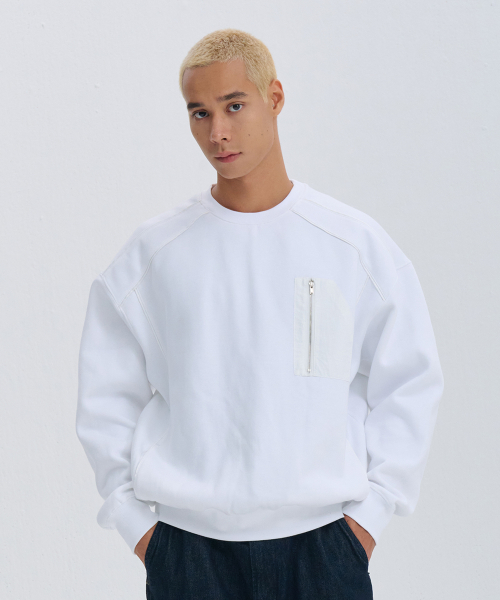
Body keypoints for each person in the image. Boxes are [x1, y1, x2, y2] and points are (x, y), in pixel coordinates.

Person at [76, 28, 444, 599]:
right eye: (199, 112)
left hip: (323, 549)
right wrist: (136, 525)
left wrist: (369, 519)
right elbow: (106, 397)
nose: (217, 132)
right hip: (189, 553)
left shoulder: (351, 245)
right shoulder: (154, 255)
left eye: (234, 105)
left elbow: (410, 381)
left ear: (274, 97)